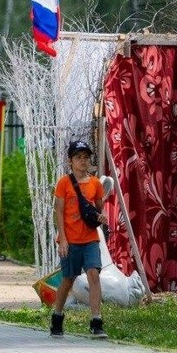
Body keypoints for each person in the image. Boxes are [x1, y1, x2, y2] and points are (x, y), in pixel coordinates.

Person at [50, 139, 109, 339]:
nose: (83, 161)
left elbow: (99, 210)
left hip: (90, 239)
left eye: (86, 157)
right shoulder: (64, 183)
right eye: (78, 157)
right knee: (68, 279)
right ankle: (57, 316)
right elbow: (59, 211)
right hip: (71, 240)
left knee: (94, 274)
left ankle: (96, 320)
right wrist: (63, 239)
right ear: (70, 161)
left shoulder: (95, 184)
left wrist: (102, 216)